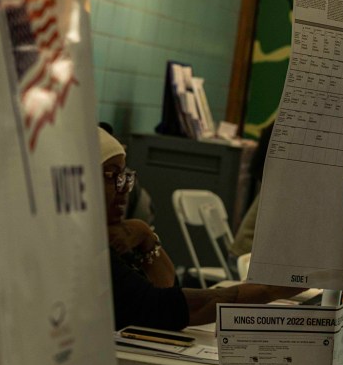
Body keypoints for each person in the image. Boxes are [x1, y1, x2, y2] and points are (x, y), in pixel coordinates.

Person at [100, 128, 299, 330]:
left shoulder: (120, 236)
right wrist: (267, 291)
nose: (123, 187)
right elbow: (161, 307)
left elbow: (166, 290)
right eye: (112, 175)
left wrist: (146, 236)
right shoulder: (91, 251)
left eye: (124, 175)